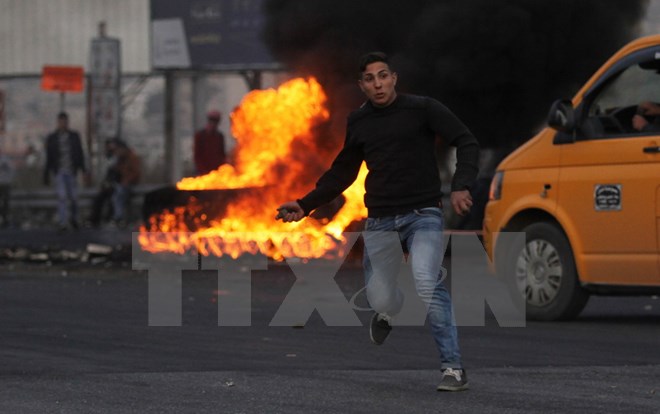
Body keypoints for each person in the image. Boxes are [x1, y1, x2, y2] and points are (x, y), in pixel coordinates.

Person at [277, 52, 479, 392]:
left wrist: (460, 186)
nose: (378, 84)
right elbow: (342, 172)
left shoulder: (422, 109)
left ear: (394, 78)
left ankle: (453, 369)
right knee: (379, 297)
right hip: (381, 219)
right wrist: (304, 204)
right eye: (370, 79)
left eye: (383, 76)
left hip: (422, 214)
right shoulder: (359, 122)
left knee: (427, 282)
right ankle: (388, 311)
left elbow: (466, 141)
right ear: (362, 86)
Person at [44, 112, 87, 231]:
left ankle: (74, 219)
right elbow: (49, 156)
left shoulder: (74, 136)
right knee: (62, 197)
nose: (63, 124)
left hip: (72, 171)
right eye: (61, 122)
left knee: (73, 197)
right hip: (59, 171)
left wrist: (83, 170)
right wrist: (47, 173)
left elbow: (80, 153)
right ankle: (63, 222)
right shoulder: (52, 138)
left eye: (65, 121)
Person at [87, 139, 121, 228]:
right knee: (98, 199)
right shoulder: (106, 159)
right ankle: (94, 220)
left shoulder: (119, 158)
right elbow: (105, 174)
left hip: (117, 185)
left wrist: (112, 183)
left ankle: (111, 219)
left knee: (113, 199)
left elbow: (119, 173)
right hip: (107, 186)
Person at [110, 139, 141, 226]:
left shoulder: (132, 157)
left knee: (118, 196)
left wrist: (126, 181)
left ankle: (118, 217)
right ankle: (117, 217)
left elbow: (135, 173)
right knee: (114, 195)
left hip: (130, 184)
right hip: (122, 183)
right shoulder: (121, 159)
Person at [193, 110, 227, 175]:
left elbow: (222, 154)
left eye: (216, 121)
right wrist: (202, 170)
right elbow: (197, 155)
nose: (213, 123)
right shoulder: (200, 136)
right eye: (212, 120)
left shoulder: (219, 137)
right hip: (203, 172)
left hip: (216, 172)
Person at [0, 148, 15, 228]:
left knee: (5, 202)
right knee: (4, 203)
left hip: (5, 183)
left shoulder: (5, 159)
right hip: (5, 183)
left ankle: (5, 219)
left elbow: (11, 170)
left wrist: (9, 179)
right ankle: (4, 219)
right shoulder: (6, 159)